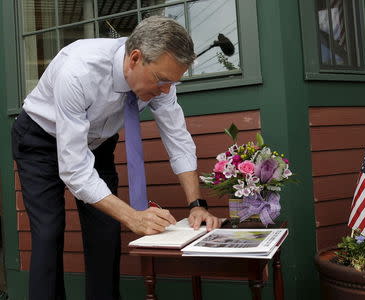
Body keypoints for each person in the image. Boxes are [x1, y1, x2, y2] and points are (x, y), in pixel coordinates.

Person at [11, 16, 220, 300]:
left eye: (172, 82)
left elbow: (178, 138)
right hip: (41, 138)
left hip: (97, 143)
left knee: (106, 234)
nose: (166, 90)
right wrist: (132, 216)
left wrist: (196, 204)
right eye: (162, 81)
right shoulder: (78, 71)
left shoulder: (160, 78)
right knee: (49, 232)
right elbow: (75, 170)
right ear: (135, 58)